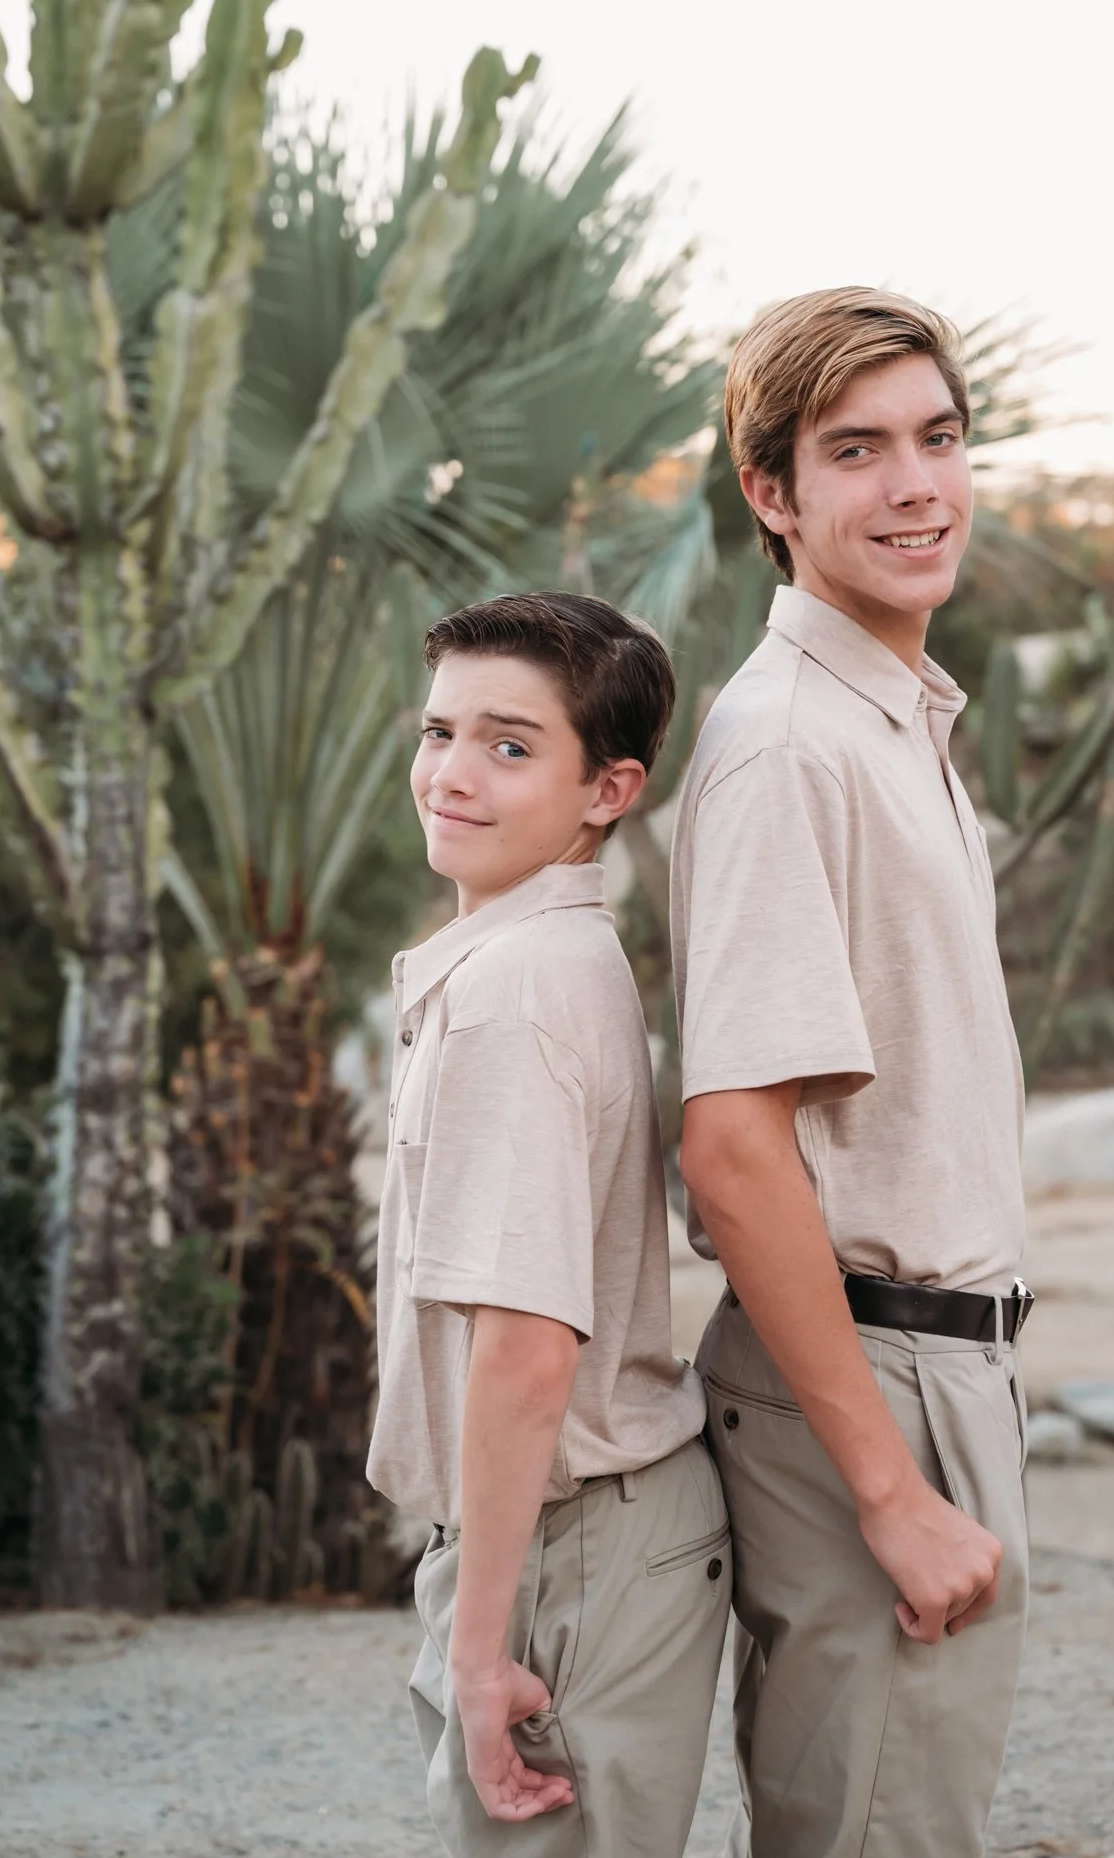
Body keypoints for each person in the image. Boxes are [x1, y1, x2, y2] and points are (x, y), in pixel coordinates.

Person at [671, 288, 1033, 1858]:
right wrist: (888, 1488)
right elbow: (734, 1152)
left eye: (939, 440)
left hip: (940, 1369)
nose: (915, 486)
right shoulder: (788, 747)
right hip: (868, 1381)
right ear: (773, 493)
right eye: (858, 450)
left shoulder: (895, 719)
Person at [368, 592, 730, 1855]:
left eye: (510, 747)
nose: (451, 775)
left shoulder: (514, 999)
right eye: (440, 731)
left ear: (608, 790)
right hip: (573, 1532)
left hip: (564, 1541)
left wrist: (479, 1654)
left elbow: (527, 1344)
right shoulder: (537, 959)